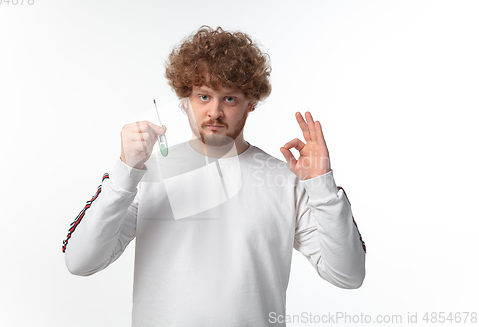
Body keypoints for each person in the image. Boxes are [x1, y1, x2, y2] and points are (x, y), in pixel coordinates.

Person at [62, 25, 366, 327]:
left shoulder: (284, 180)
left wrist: (320, 185)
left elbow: (348, 275)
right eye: (204, 97)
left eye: (229, 99)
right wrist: (125, 171)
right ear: (186, 100)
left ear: (251, 103)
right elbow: (80, 261)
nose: (215, 112)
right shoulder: (146, 174)